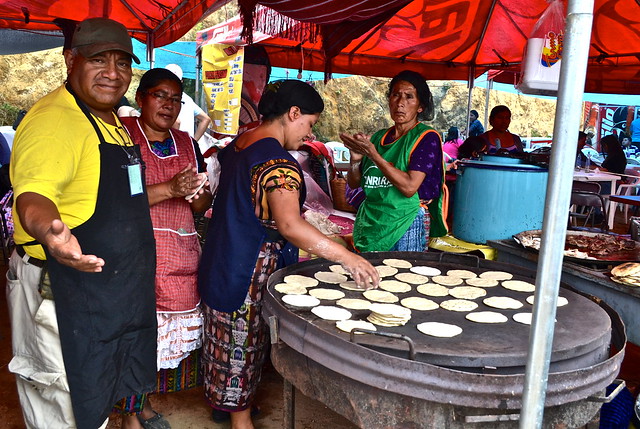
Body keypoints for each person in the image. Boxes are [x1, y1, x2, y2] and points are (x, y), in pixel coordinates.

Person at [198, 80, 379, 429]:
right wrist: (348, 258)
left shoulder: (239, 144)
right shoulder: (277, 162)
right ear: (293, 113)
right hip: (247, 267)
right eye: (309, 124)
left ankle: (226, 407)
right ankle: (241, 422)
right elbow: (290, 226)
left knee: (221, 337)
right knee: (242, 343)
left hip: (221, 254)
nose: (308, 133)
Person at [7, 18, 156, 429]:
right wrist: (51, 233)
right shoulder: (55, 122)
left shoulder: (107, 119)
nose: (113, 73)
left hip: (101, 294)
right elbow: (33, 196)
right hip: (59, 292)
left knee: (90, 403)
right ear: (70, 60)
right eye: (98, 60)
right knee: (60, 406)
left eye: (122, 63)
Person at [115, 68, 213, 428]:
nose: (168, 105)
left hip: (178, 252)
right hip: (136, 253)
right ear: (141, 98)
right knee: (135, 336)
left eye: (176, 98)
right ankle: (130, 418)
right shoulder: (123, 136)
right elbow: (116, 198)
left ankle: (142, 405)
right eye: (160, 95)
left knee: (158, 345)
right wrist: (171, 189)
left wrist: (200, 193)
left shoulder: (187, 141)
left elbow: (200, 205)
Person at [340, 70, 447, 252]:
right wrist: (356, 160)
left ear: (420, 106)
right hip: (374, 221)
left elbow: (409, 187)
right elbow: (354, 182)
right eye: (396, 95)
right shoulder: (378, 138)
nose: (400, 103)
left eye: (409, 97)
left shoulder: (426, 138)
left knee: (404, 275)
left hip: (407, 221)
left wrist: (374, 155)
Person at [164, 64, 212, 141]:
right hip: (187, 147)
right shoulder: (187, 99)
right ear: (181, 82)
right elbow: (205, 119)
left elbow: (176, 123)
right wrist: (194, 142)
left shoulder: (164, 98)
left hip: (174, 148)